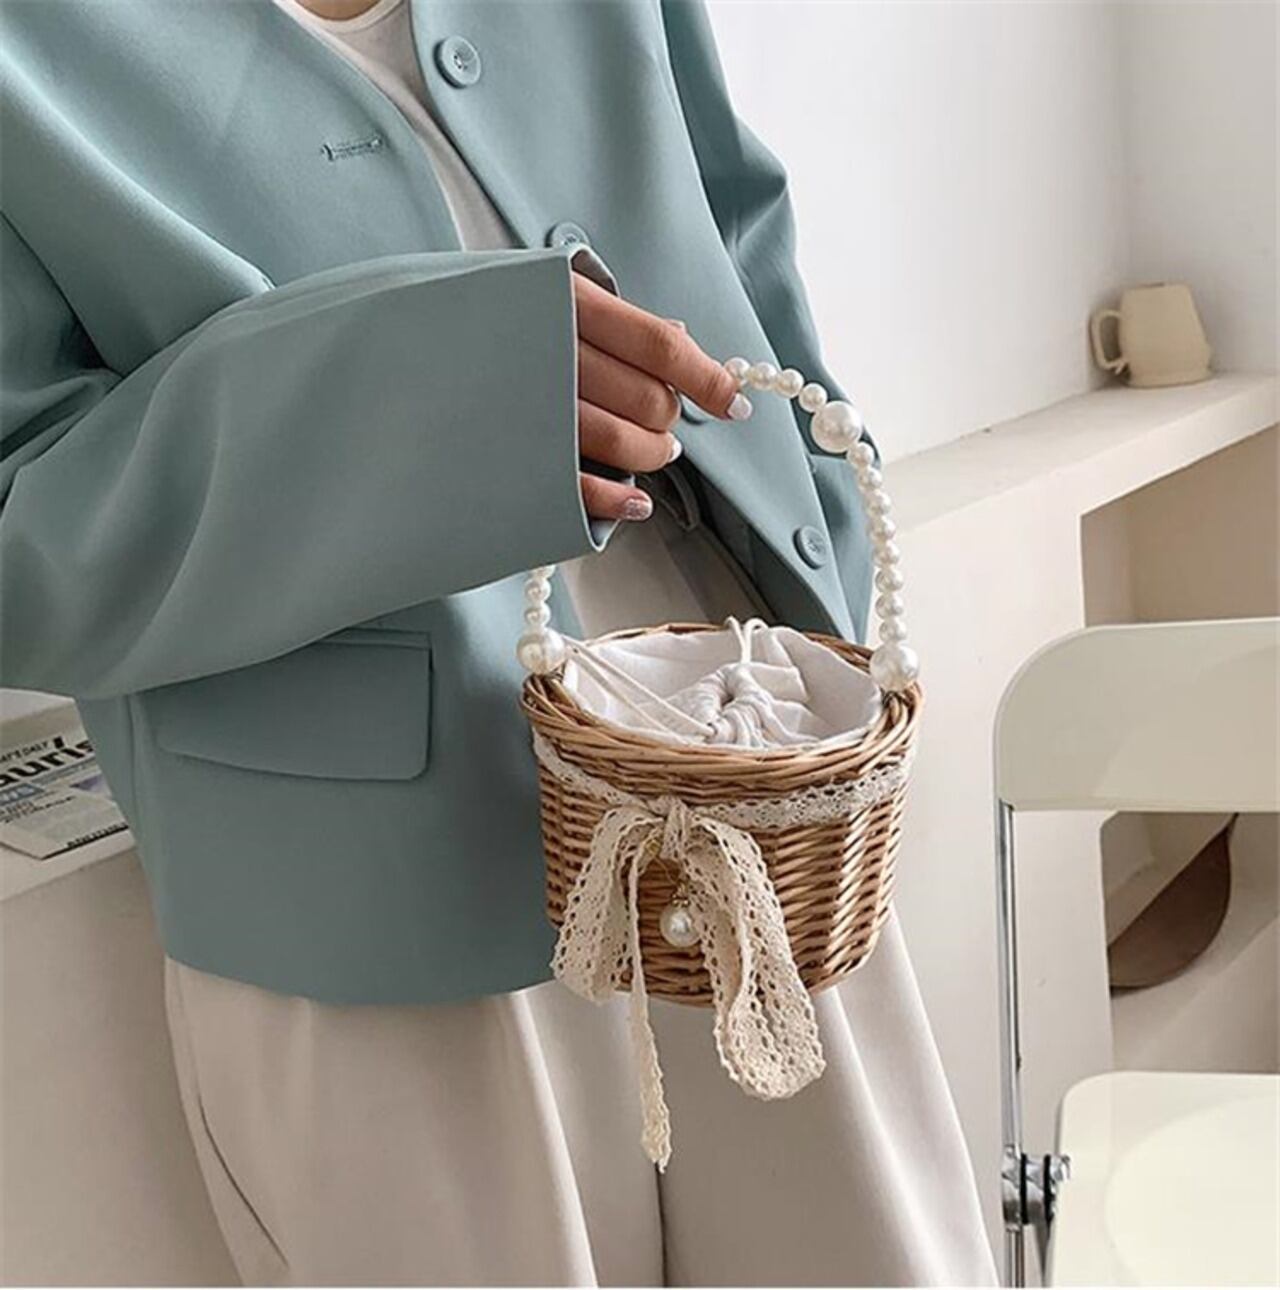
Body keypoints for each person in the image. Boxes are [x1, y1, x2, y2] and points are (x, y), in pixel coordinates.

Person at [0, 0, 996, 1284]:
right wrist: (426, 391)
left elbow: (729, 225)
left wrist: (824, 564)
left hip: (747, 764)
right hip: (364, 894)